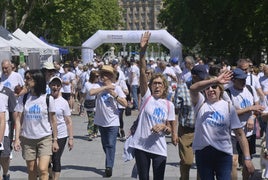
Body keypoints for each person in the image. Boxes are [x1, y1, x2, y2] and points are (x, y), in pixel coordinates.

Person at [128, 31, 177, 180]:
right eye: (154, 83)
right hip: (142, 146)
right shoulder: (147, 98)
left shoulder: (169, 105)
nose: (157, 86)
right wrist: (142, 52)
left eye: (160, 84)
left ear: (164, 87)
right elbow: (142, 73)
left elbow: (169, 129)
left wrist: (164, 128)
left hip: (159, 148)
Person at [189, 70, 255, 179]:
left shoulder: (228, 107)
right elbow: (193, 88)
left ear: (220, 89)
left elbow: (239, 134)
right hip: (203, 152)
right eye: (208, 88)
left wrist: (247, 158)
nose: (210, 90)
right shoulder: (200, 103)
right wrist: (214, 80)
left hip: (223, 154)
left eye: (214, 87)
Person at [14, 69, 59, 180]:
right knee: (32, 170)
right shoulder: (24, 98)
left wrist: (55, 140)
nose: (26, 81)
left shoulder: (48, 99)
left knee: (43, 169)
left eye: (28, 78)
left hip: (44, 138)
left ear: (37, 80)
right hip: (27, 139)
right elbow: (18, 120)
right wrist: (16, 139)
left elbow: (53, 120)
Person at [224, 68, 264, 180]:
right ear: (234, 80)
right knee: (233, 161)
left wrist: (252, 117)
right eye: (240, 80)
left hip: (248, 133)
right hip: (233, 133)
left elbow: (258, 108)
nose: (243, 82)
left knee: (246, 163)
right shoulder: (227, 93)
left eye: (244, 79)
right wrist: (249, 108)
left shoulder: (250, 89)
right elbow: (229, 112)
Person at [89, 65, 127, 177]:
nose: (102, 76)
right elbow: (91, 92)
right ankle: (110, 158)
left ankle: (109, 166)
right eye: (102, 74)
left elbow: (125, 103)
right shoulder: (98, 85)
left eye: (105, 74)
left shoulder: (117, 88)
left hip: (113, 121)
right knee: (105, 145)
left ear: (110, 76)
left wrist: (114, 95)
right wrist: (105, 88)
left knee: (111, 144)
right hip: (101, 121)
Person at [48, 76, 74, 180]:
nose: (55, 87)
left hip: (61, 134)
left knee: (56, 158)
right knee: (47, 159)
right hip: (47, 133)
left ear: (60, 87)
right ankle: (50, 175)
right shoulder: (46, 99)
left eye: (58, 85)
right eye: (53, 85)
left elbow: (68, 122)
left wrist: (71, 138)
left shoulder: (63, 102)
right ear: (50, 86)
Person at [0, 82, 16, 180]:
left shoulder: (7, 92)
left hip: (5, 128)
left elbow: (12, 113)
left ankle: (5, 174)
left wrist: (16, 132)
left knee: (4, 157)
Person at [83, 70, 99, 141]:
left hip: (97, 104)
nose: (98, 78)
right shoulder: (87, 84)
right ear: (92, 77)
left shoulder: (98, 85)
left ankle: (95, 132)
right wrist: (80, 103)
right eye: (96, 76)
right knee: (91, 119)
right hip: (90, 103)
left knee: (97, 119)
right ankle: (90, 133)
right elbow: (84, 93)